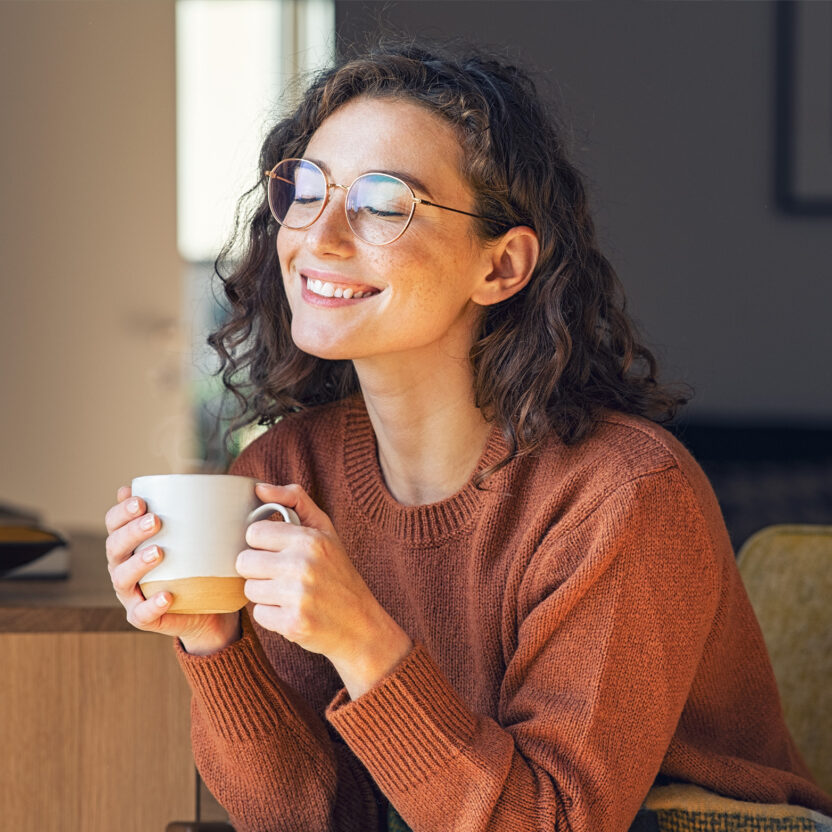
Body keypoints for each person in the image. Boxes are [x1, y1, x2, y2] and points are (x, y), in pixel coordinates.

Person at [103, 39, 832, 832]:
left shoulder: (620, 497)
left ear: (502, 267)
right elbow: (311, 818)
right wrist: (217, 647)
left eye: (384, 204)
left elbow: (550, 824)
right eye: (306, 189)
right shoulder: (286, 472)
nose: (320, 235)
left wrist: (364, 638)